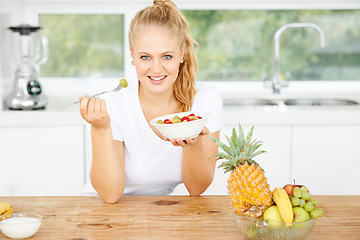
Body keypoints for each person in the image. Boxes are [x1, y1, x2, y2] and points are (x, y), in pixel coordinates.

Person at [79, 0, 223, 203]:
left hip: (156, 210)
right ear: (132, 56)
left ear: (182, 53)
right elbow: (110, 196)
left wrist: (192, 144)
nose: (156, 69)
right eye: (145, 57)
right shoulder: (114, 104)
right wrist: (101, 128)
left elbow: (197, 188)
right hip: (104, 209)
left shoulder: (206, 101)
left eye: (166, 56)